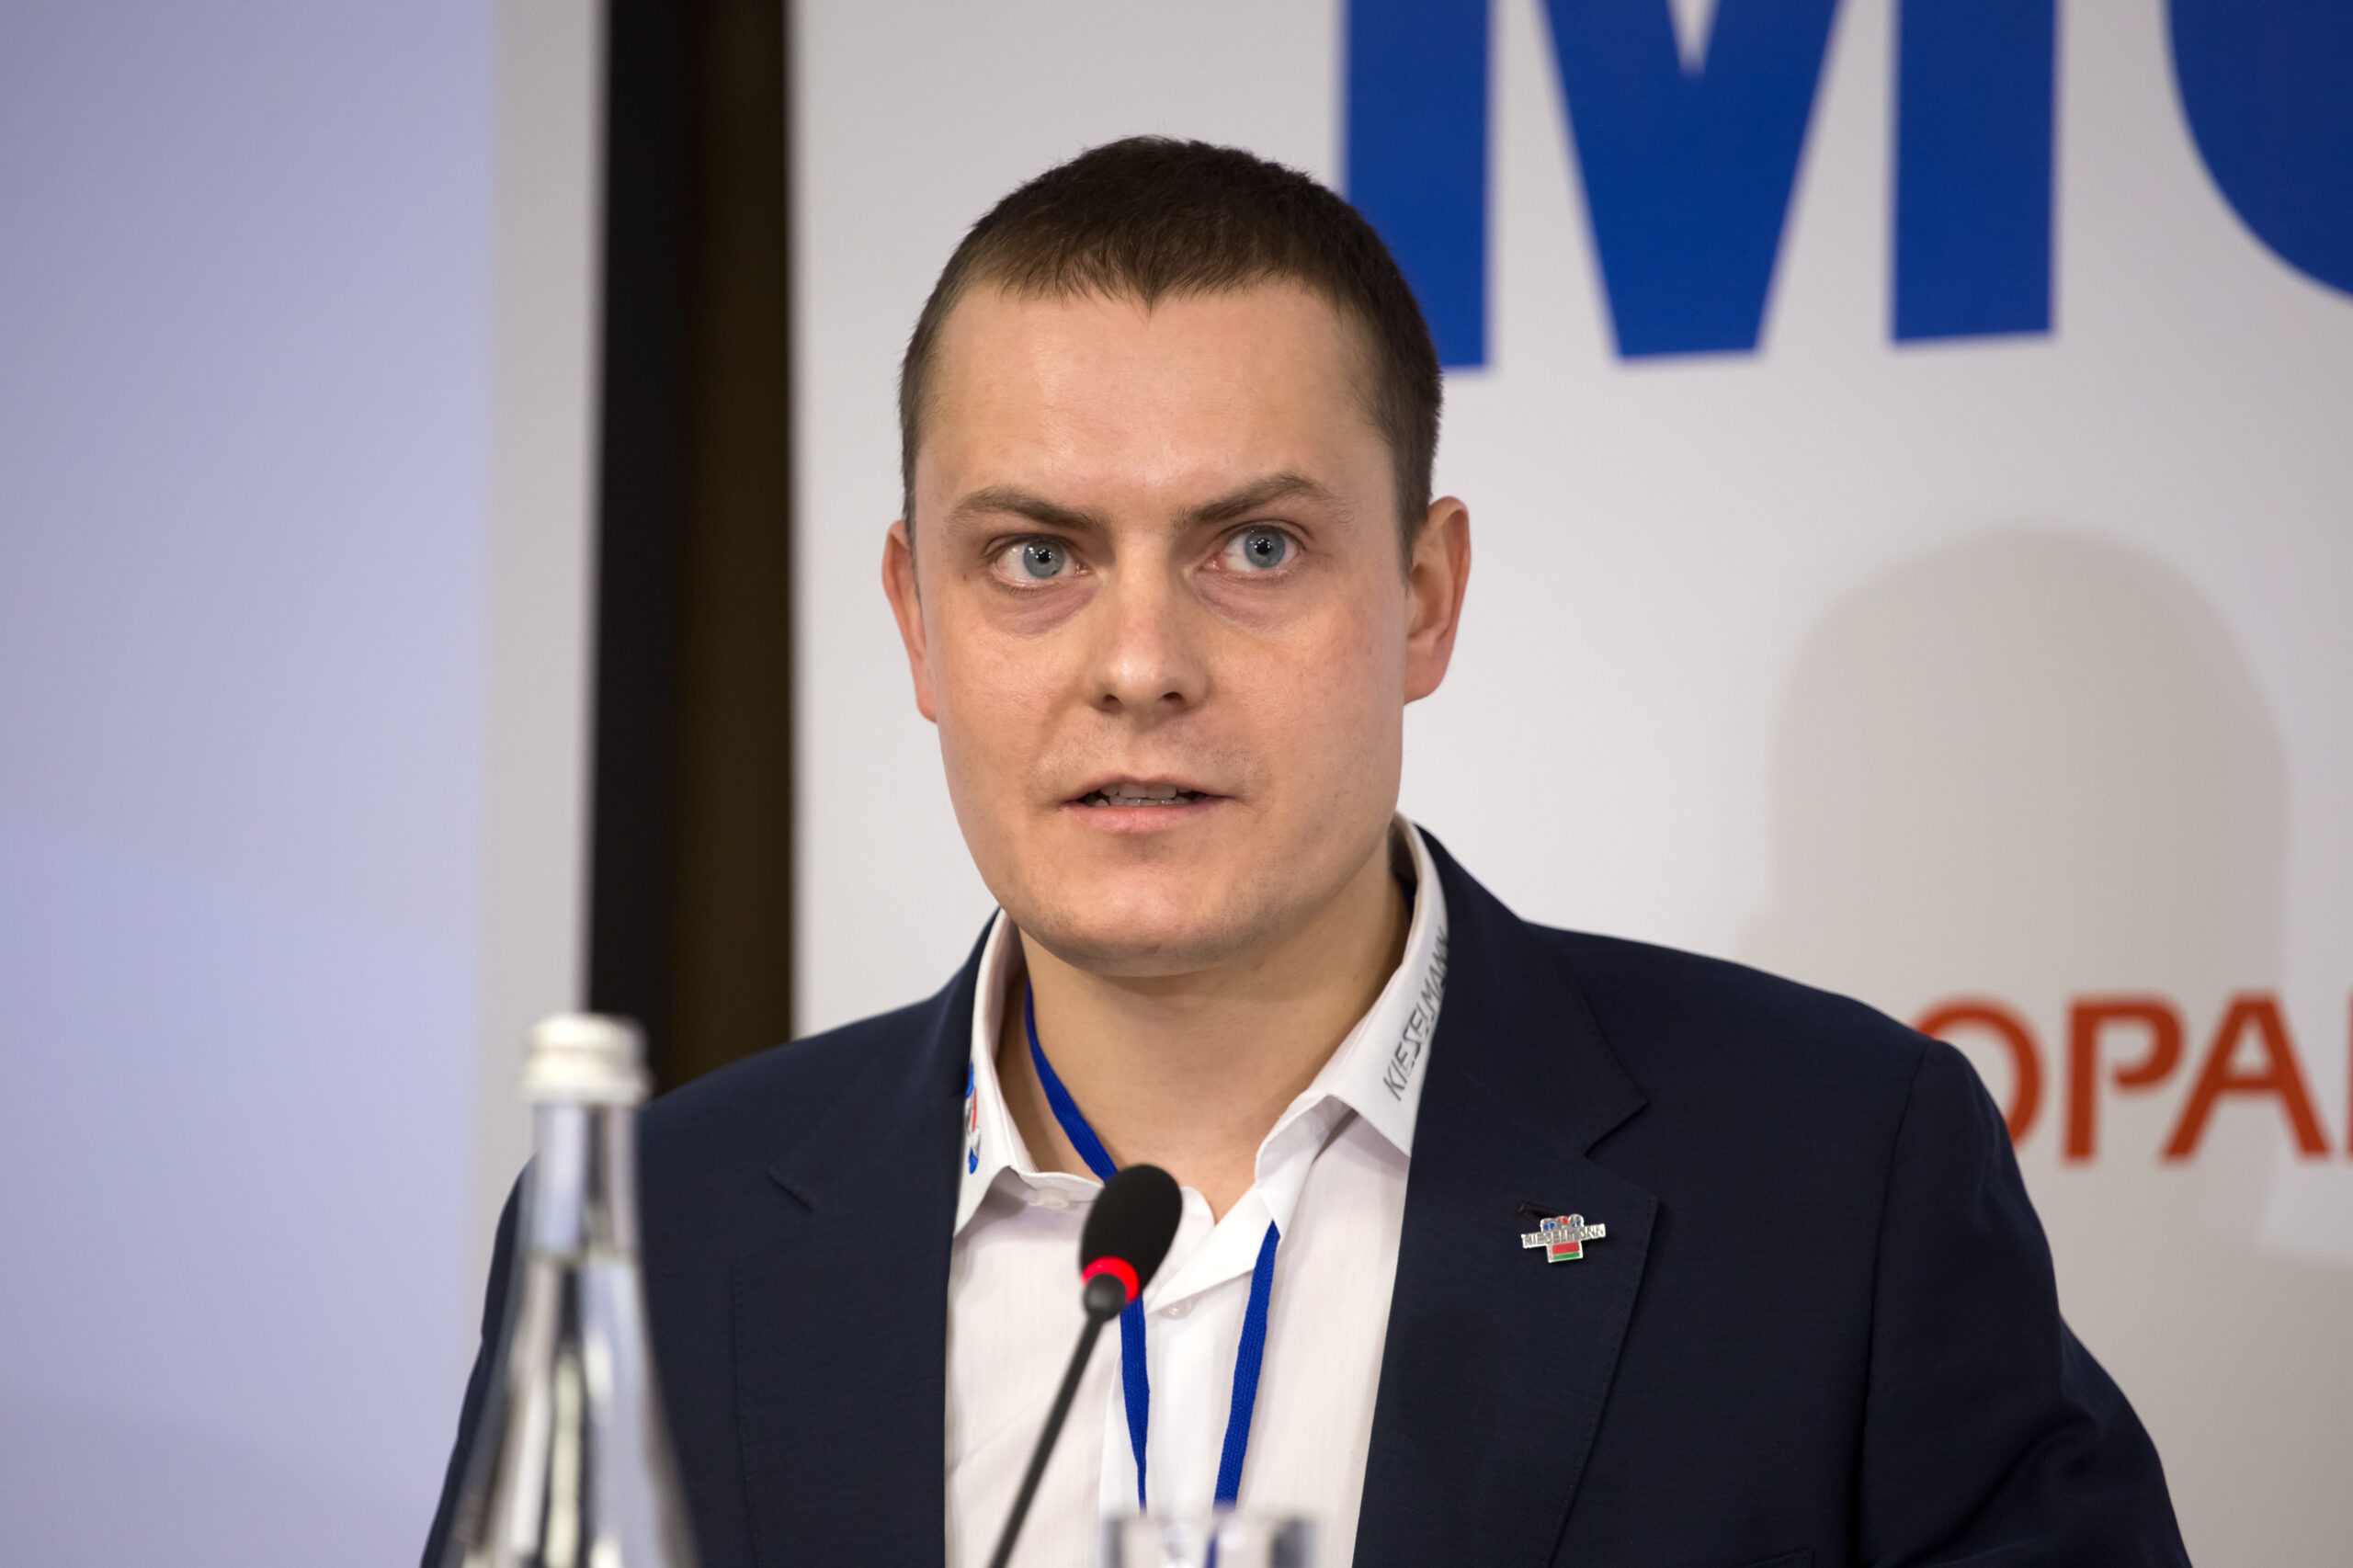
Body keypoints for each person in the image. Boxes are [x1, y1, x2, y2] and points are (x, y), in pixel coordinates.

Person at [426, 138, 2187, 1568]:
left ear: (1423, 598)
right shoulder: (659, 1236)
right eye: (1035, 557)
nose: (1139, 664)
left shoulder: (1832, 1174)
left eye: (1254, 548)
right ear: (916, 620)